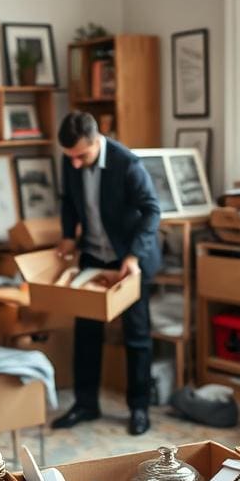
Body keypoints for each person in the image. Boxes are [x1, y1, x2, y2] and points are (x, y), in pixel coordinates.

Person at [51, 112, 161, 435]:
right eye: (69, 157)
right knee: (86, 333)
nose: (74, 163)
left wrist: (133, 256)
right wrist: (69, 235)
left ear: (96, 139)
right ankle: (86, 404)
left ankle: (139, 408)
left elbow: (152, 209)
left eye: (81, 156)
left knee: (137, 336)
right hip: (93, 256)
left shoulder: (127, 163)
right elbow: (68, 201)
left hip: (128, 260)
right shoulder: (71, 160)